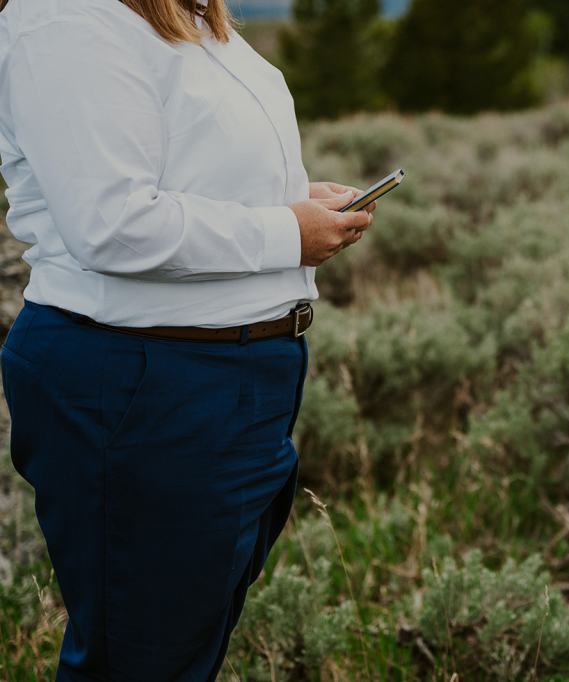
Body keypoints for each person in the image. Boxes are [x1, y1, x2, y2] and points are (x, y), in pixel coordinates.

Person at [0, 0, 375, 678]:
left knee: (179, 645)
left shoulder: (193, 18)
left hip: (228, 381)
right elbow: (112, 223)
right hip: (142, 381)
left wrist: (288, 196)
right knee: (138, 660)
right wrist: (287, 231)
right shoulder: (67, 17)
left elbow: (186, 167)